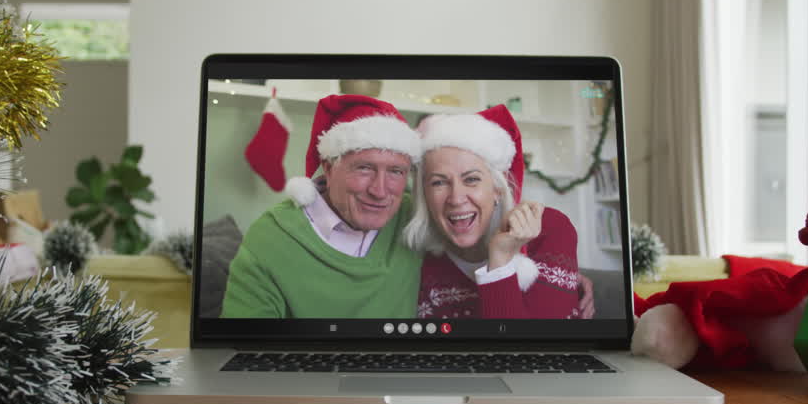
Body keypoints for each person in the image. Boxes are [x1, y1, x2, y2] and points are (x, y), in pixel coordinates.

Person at [221, 94, 424, 318]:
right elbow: (246, 342)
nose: (379, 191)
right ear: (328, 168)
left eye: (396, 172)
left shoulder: (414, 217)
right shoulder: (270, 237)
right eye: (364, 168)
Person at [403, 105, 582, 319]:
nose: (456, 198)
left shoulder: (549, 229)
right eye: (439, 182)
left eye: (471, 179)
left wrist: (500, 259)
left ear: (497, 187)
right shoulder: (421, 257)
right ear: (424, 194)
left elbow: (529, 348)